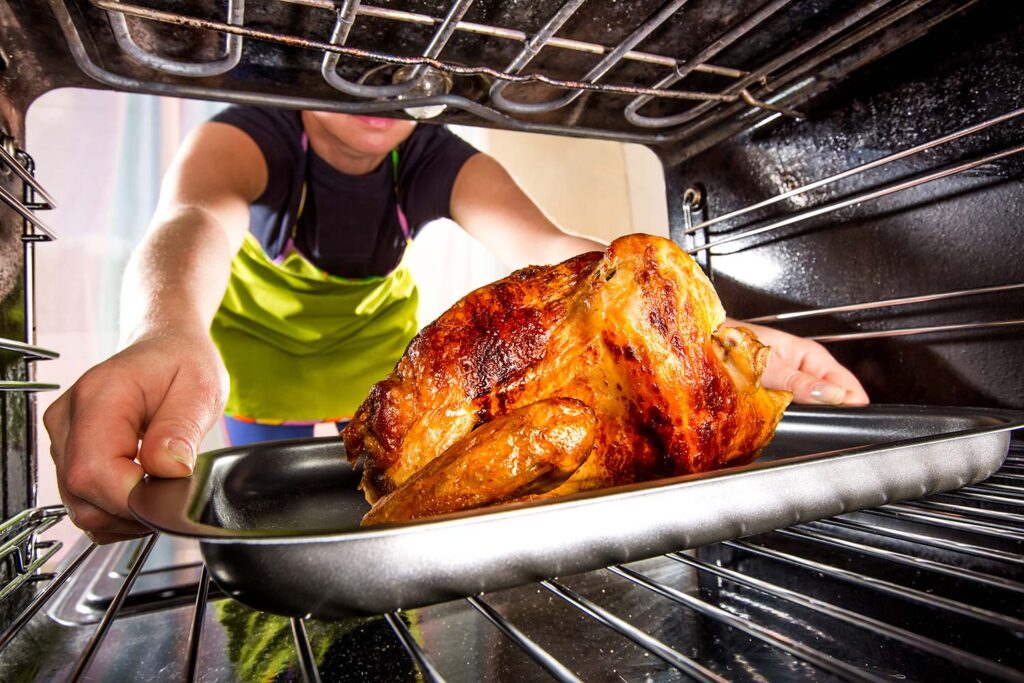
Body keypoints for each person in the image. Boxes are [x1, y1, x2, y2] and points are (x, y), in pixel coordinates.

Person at [42, 107, 868, 544]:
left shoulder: (429, 154)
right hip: (256, 389)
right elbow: (189, 218)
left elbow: (551, 250)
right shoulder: (255, 135)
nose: (381, 94)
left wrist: (711, 339)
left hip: (380, 382)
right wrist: (163, 330)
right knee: (276, 535)